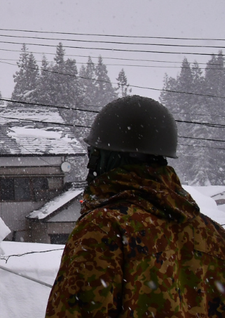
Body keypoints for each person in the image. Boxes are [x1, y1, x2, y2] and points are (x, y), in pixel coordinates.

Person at [45, 95, 225, 317]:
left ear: (108, 157)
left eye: (94, 153)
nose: (90, 164)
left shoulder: (104, 228)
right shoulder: (212, 234)